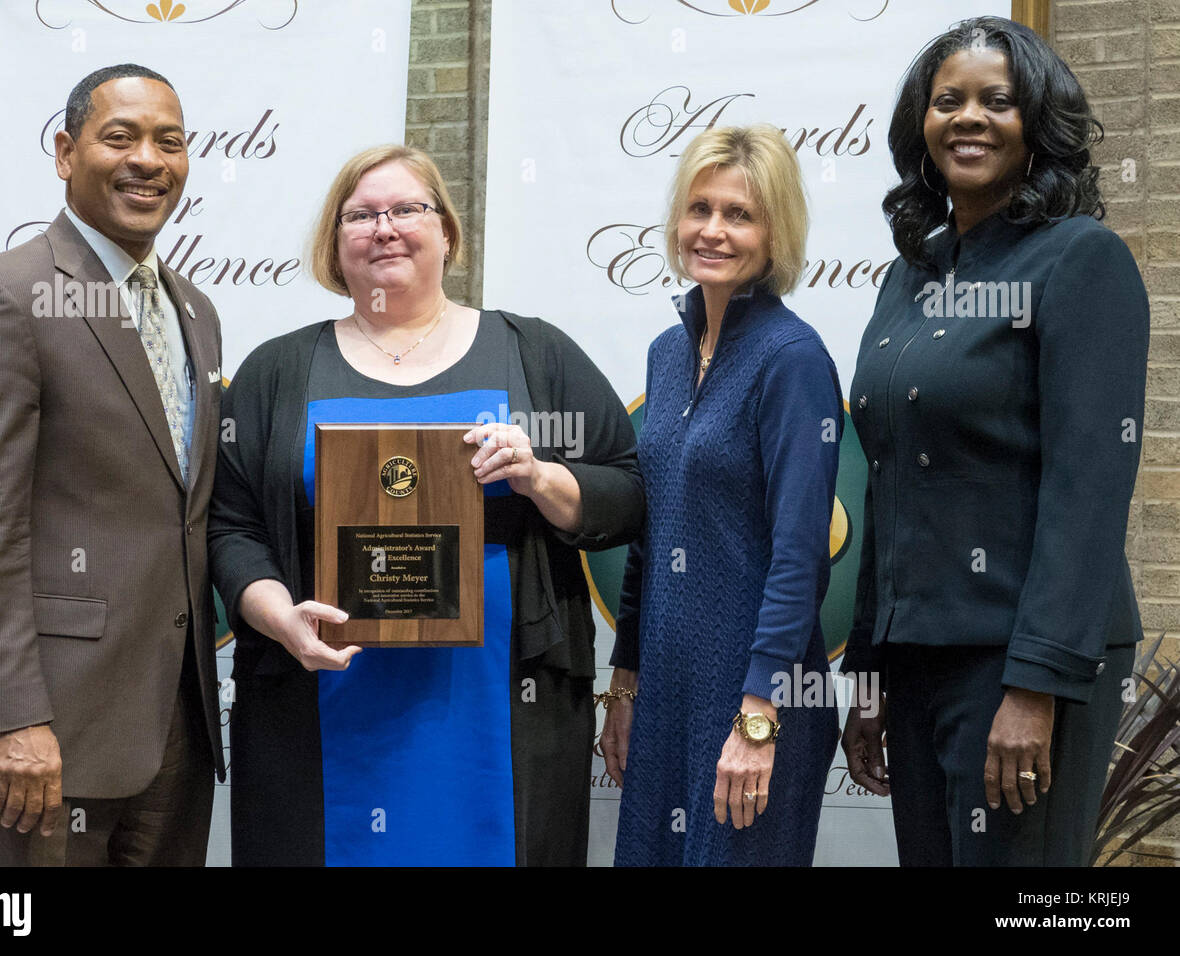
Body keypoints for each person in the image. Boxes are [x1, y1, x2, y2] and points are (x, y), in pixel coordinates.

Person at [208, 143, 643, 866]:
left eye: (407, 209)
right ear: (334, 242)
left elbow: (626, 494)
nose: (384, 228)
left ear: (447, 232)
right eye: (361, 215)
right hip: (324, 695)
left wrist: (538, 475)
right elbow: (231, 527)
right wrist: (279, 617)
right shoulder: (275, 371)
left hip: (502, 701)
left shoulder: (535, 352)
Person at [840, 17, 1148, 866]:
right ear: (921, 123)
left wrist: (1036, 684)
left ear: (1036, 121)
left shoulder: (1080, 260)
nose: (968, 118)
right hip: (915, 662)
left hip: (1026, 665)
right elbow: (888, 483)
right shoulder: (912, 274)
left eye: (997, 101)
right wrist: (868, 676)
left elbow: (1089, 488)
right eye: (948, 101)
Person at [0, 64, 225, 866]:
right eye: (119, 137)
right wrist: (11, 717)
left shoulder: (196, 310)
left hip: (176, 735)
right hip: (44, 741)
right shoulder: (3, 297)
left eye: (170, 141)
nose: (148, 160)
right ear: (64, 152)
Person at [599, 125, 843, 866]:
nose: (712, 230)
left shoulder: (792, 359)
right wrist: (625, 683)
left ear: (775, 234)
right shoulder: (665, 353)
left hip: (755, 696)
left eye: (739, 214)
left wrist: (760, 715)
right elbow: (652, 524)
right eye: (699, 208)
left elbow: (801, 554)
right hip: (668, 688)